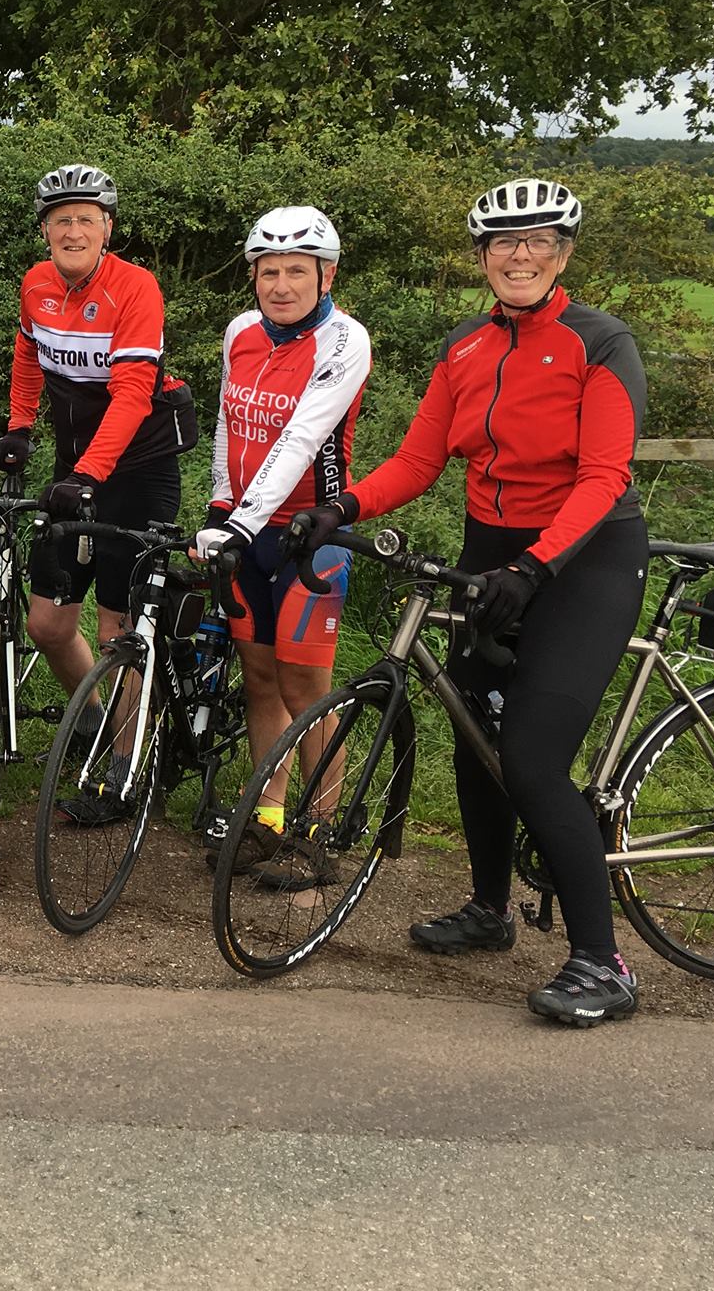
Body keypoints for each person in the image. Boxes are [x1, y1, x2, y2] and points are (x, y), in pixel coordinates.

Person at [292, 178, 648, 1026]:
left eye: (537, 243)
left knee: (528, 757)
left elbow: (604, 476)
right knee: (472, 736)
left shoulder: (600, 341)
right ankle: (492, 912)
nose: (519, 257)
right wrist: (341, 507)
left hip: (585, 561)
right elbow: (419, 463)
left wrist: (537, 566)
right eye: (503, 244)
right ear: (483, 257)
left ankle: (605, 963)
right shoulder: (464, 348)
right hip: (493, 556)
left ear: (561, 255)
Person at [0, 164, 198, 825]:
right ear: (45, 231)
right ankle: (101, 718)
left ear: (107, 228)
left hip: (138, 468)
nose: (72, 230)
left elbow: (133, 392)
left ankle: (123, 768)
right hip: (76, 466)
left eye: (86, 218)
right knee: (47, 623)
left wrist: (90, 476)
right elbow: (28, 357)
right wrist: (20, 427)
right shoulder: (36, 284)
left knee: (118, 628)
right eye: (60, 220)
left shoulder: (135, 288)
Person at [194, 207, 370, 866]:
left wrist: (239, 522)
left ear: (327, 275)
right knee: (259, 676)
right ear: (252, 277)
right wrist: (221, 506)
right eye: (269, 271)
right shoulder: (241, 331)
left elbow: (300, 438)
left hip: (311, 533)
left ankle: (321, 830)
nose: (282, 284)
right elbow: (227, 421)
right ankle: (268, 813)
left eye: (298, 270)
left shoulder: (346, 341)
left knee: (305, 688)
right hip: (246, 529)